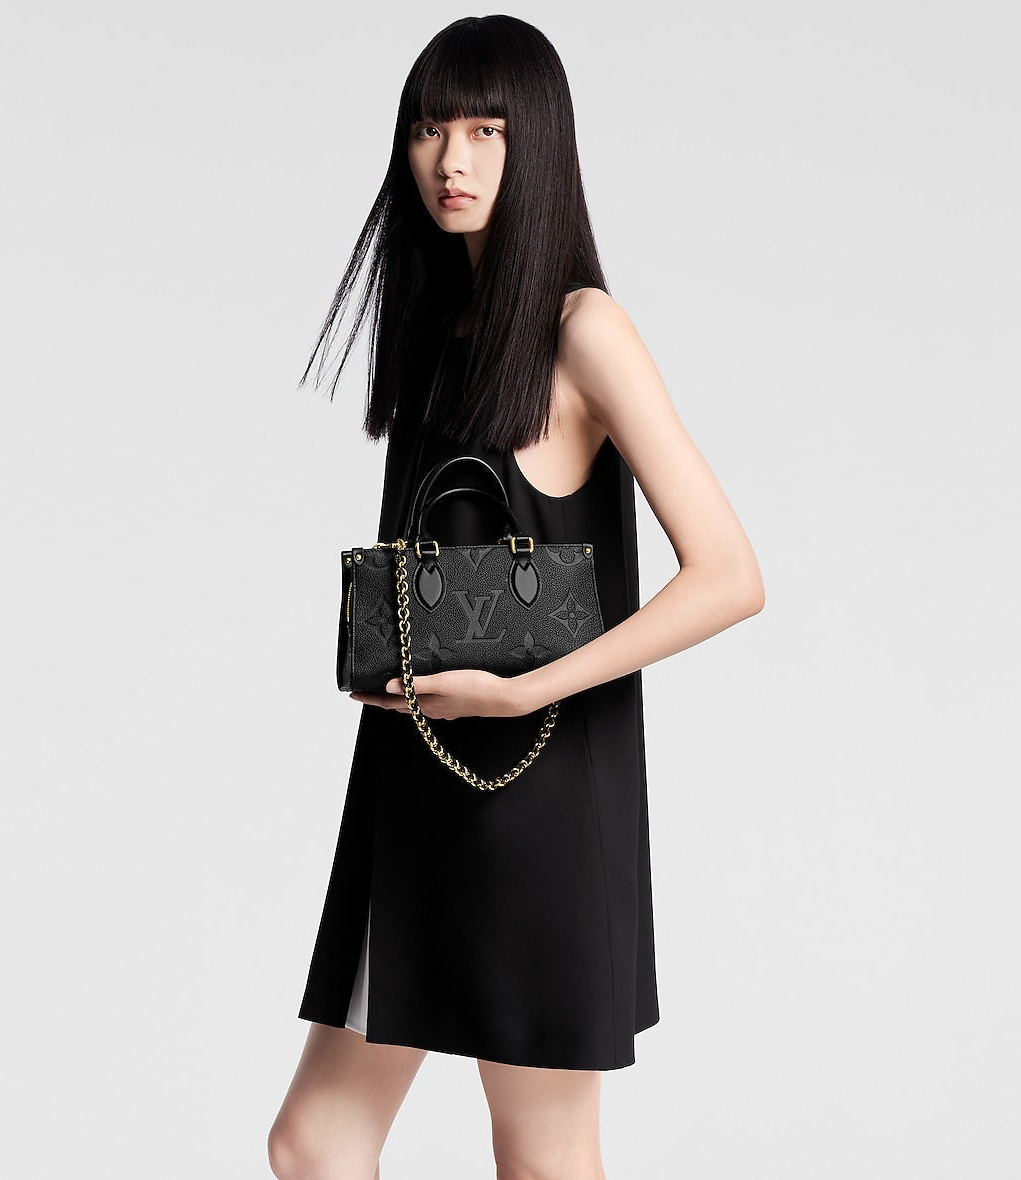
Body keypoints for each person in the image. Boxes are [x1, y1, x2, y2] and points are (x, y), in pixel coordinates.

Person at [268, 15, 764, 1179]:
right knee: (314, 1142)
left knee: (541, 1157)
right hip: (415, 779)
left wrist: (524, 689)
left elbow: (730, 574)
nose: (453, 158)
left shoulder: (585, 330)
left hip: (535, 789)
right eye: (431, 127)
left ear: (536, 143)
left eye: (487, 130)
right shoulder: (438, 329)